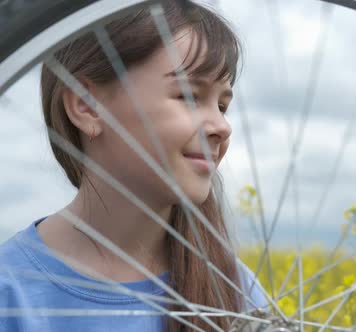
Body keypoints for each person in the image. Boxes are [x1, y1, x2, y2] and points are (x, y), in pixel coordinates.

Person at [0, 1, 267, 331]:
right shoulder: (9, 292)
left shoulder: (235, 293)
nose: (222, 127)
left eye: (223, 105)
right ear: (86, 105)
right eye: (189, 96)